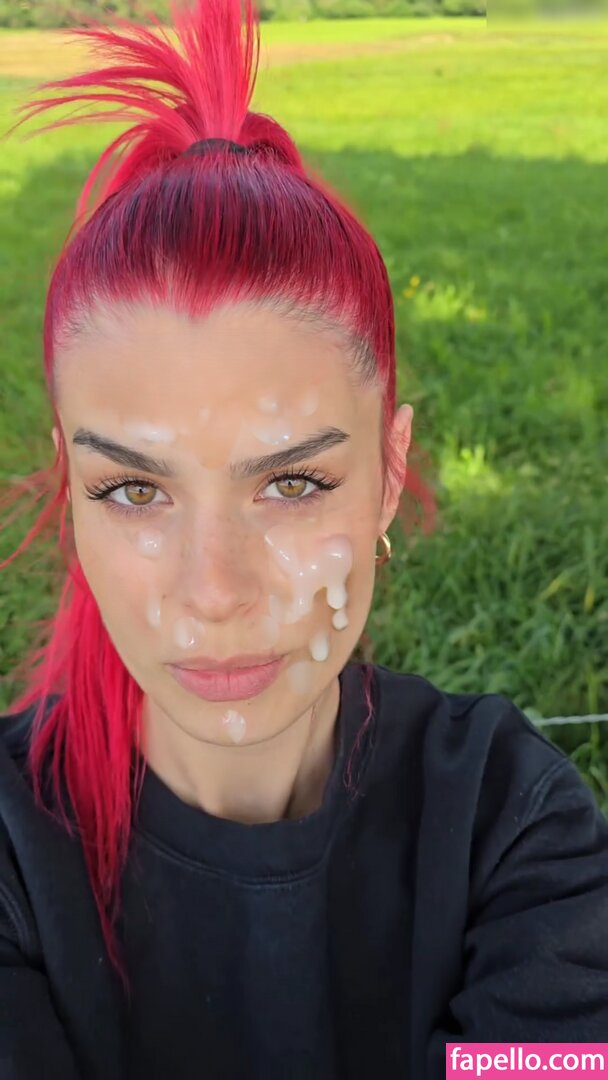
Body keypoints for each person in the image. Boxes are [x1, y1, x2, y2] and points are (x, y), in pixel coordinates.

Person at [1, 0, 607, 1077]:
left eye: (291, 483)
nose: (213, 590)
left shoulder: (509, 826)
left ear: (388, 473)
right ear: (72, 489)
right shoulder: (12, 852)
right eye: (133, 490)